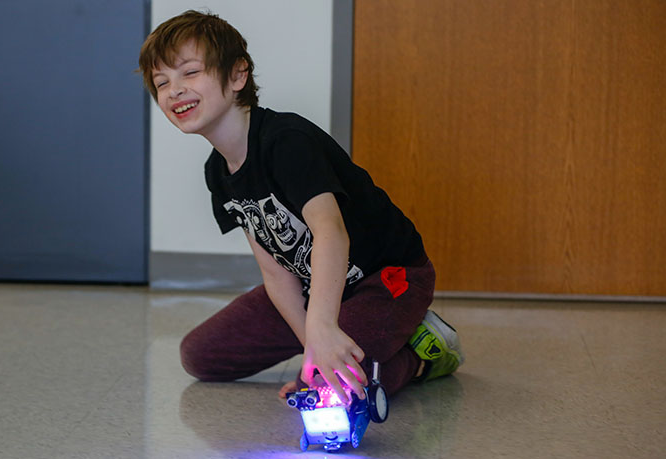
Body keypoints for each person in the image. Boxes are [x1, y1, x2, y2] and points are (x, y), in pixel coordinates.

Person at [138, 10, 464, 403]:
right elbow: (275, 273)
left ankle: (420, 353)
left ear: (238, 75)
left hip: (386, 277)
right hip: (316, 288)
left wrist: (324, 333)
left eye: (189, 73)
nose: (174, 90)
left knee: (332, 388)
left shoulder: (286, 140)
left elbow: (331, 231)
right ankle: (341, 337)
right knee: (199, 356)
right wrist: (314, 343)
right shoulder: (217, 173)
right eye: (161, 82)